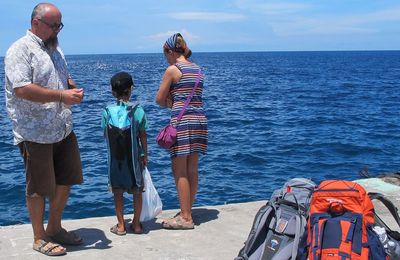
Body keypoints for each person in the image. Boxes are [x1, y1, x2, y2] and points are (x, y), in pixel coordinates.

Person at [4, 3, 84, 256]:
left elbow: (60, 78)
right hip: (34, 132)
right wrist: (62, 95)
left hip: (62, 128)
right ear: (36, 22)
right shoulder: (19, 50)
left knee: (66, 179)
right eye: (54, 25)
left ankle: (55, 228)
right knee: (39, 187)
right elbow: (22, 89)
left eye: (60, 25)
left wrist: (70, 86)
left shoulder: (55, 48)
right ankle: (39, 237)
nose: (58, 30)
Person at [156, 33, 208, 229]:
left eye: (165, 54)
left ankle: (185, 217)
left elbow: (159, 99)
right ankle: (188, 210)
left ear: (170, 51)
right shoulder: (197, 69)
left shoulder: (173, 70)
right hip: (200, 120)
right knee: (192, 168)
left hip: (182, 122)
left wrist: (171, 102)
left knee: (179, 170)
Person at [101, 72, 148, 235]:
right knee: (137, 191)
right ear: (131, 89)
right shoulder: (138, 110)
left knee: (117, 191)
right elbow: (142, 135)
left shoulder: (107, 111)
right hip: (134, 158)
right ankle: (136, 224)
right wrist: (145, 155)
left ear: (113, 92)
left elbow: (105, 134)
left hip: (116, 160)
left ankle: (120, 226)